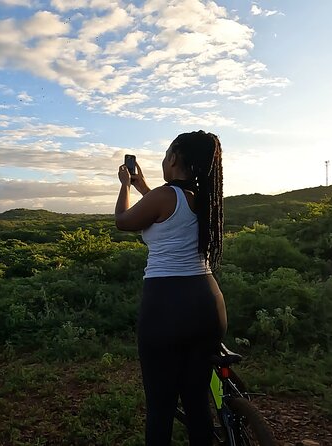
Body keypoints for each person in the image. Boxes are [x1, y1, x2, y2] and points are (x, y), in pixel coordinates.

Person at [115, 131, 228, 446]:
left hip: (166, 307)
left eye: (166, 154)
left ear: (174, 157)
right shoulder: (204, 199)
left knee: (161, 406)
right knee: (196, 402)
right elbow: (168, 216)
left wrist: (125, 185)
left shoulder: (165, 196)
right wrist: (143, 188)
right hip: (208, 304)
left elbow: (123, 220)